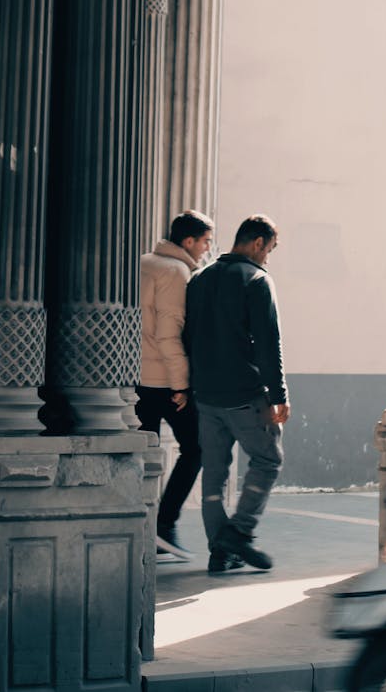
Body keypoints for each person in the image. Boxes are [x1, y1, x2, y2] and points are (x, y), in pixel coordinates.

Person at [185, 214, 290, 574]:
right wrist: (279, 395)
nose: (268, 257)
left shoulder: (199, 279)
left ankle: (220, 551)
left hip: (206, 396)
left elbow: (189, 337)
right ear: (258, 243)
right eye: (270, 249)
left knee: (214, 474)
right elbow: (268, 345)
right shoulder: (258, 281)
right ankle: (239, 532)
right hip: (246, 396)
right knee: (268, 460)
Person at [138, 209, 214, 559]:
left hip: (136, 377)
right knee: (196, 448)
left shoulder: (144, 262)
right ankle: (164, 524)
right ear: (188, 241)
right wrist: (180, 385)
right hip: (161, 381)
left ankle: (140, 528)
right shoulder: (177, 272)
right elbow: (169, 335)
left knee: (143, 454)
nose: (206, 249)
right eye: (205, 241)